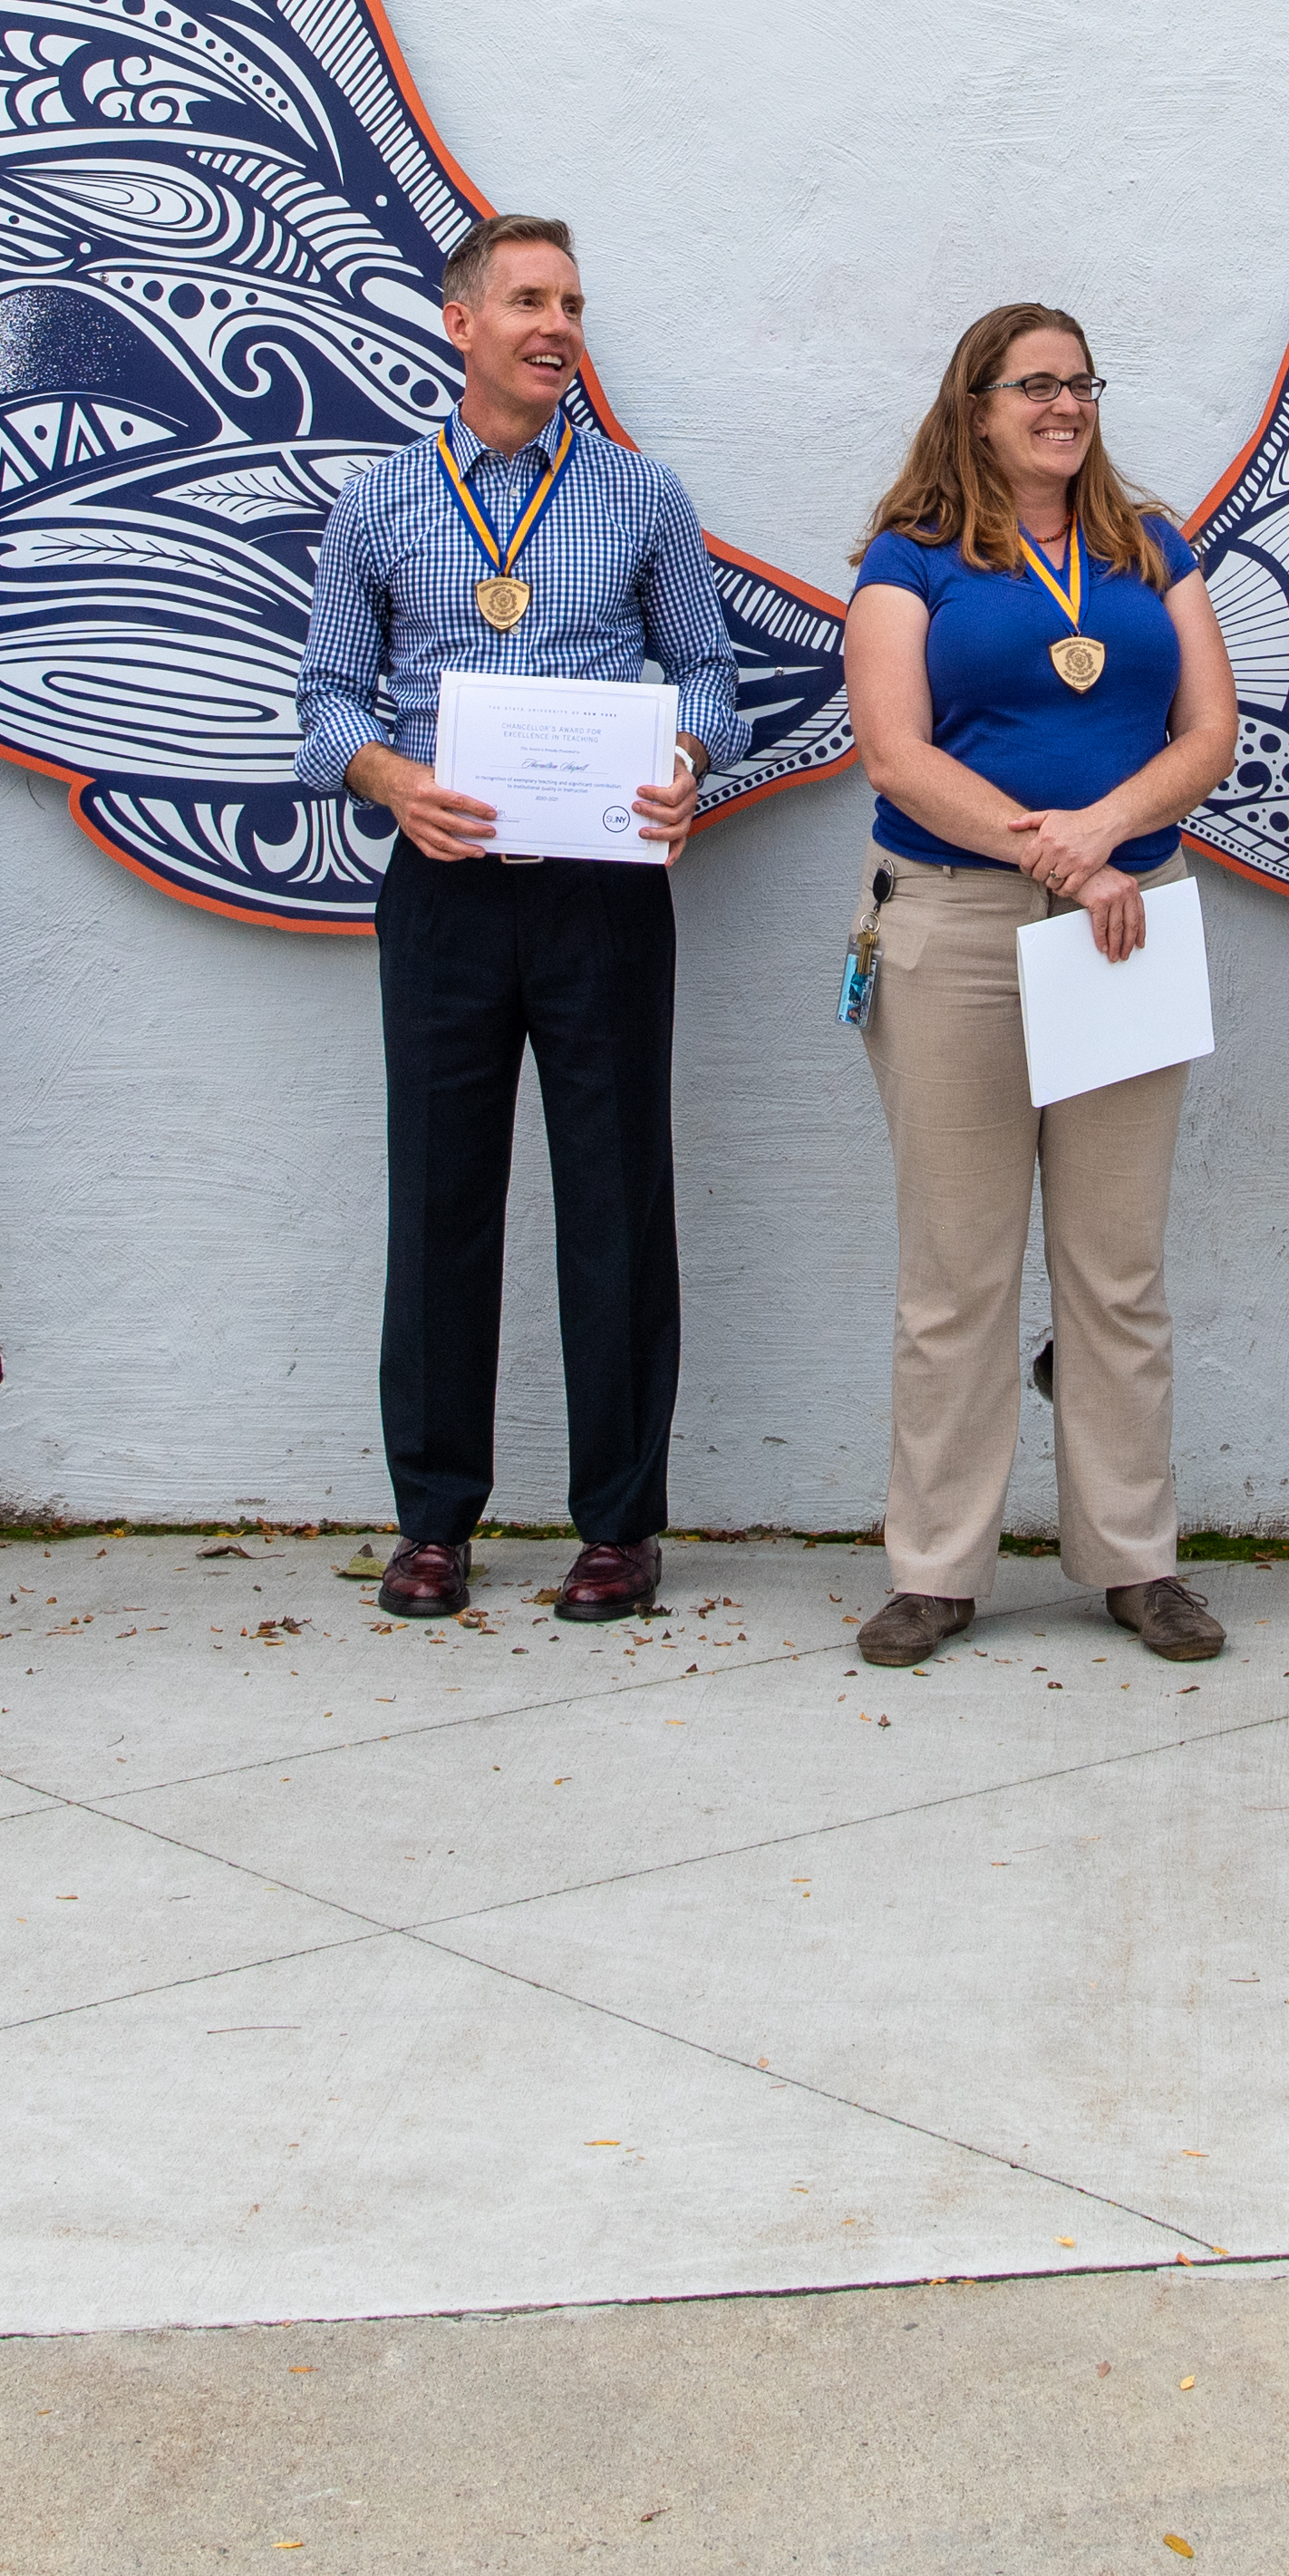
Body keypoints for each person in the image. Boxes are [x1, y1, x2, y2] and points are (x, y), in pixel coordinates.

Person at [295, 215, 749, 1622]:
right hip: (443, 890)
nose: (556, 325)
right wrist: (391, 779)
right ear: (461, 320)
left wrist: (682, 766)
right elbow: (324, 708)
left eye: (573, 303)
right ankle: (434, 1521)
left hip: (605, 893)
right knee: (440, 1200)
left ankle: (621, 1525)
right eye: (529, 300)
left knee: (618, 1202)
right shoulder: (378, 502)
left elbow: (715, 688)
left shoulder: (641, 499)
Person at [838, 303, 1244, 1671]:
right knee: (956, 1271)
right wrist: (1058, 856)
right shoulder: (910, 561)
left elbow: (1211, 732)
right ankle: (937, 1569)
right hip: (957, 931)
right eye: (1035, 386)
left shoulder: (1150, 545)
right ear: (979, 402)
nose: (1064, 406)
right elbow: (894, 755)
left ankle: (1134, 1558)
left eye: (1080, 384)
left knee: (1116, 1267)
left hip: (1130, 921)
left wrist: (1105, 832)